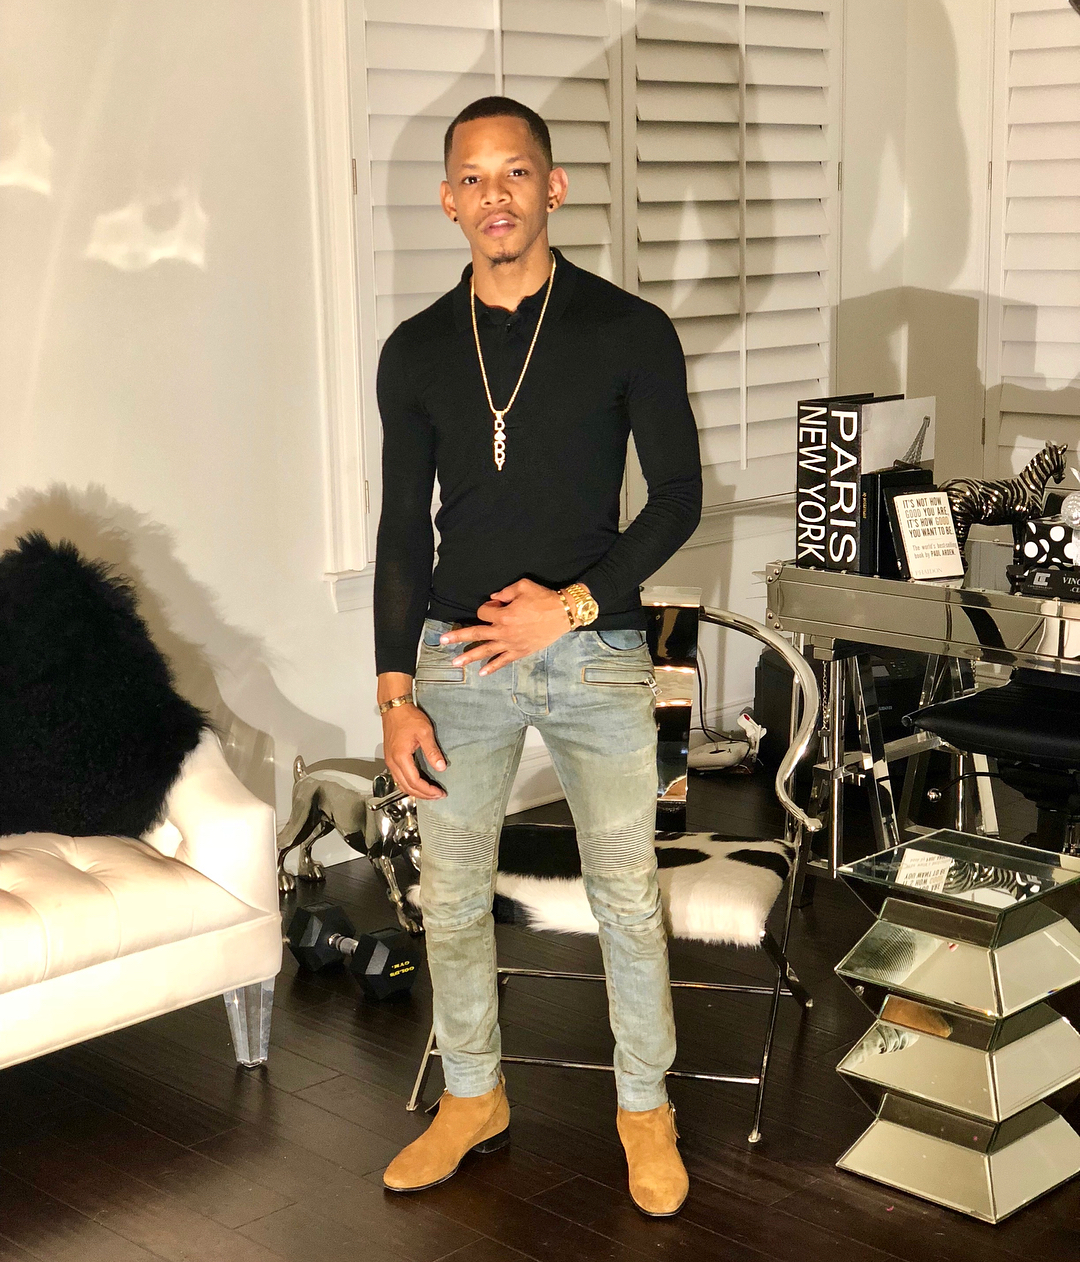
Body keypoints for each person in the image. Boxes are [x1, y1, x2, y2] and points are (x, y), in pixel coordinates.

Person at [373, 95, 702, 1217]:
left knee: (625, 895)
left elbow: (678, 497)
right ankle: (473, 1096)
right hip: (457, 660)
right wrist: (394, 693)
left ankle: (644, 1110)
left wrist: (567, 609)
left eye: (514, 172)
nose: (495, 195)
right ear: (448, 200)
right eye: (472, 177)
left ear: (552, 187)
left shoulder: (627, 330)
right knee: (451, 895)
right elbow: (399, 531)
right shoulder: (416, 351)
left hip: (594, 650)